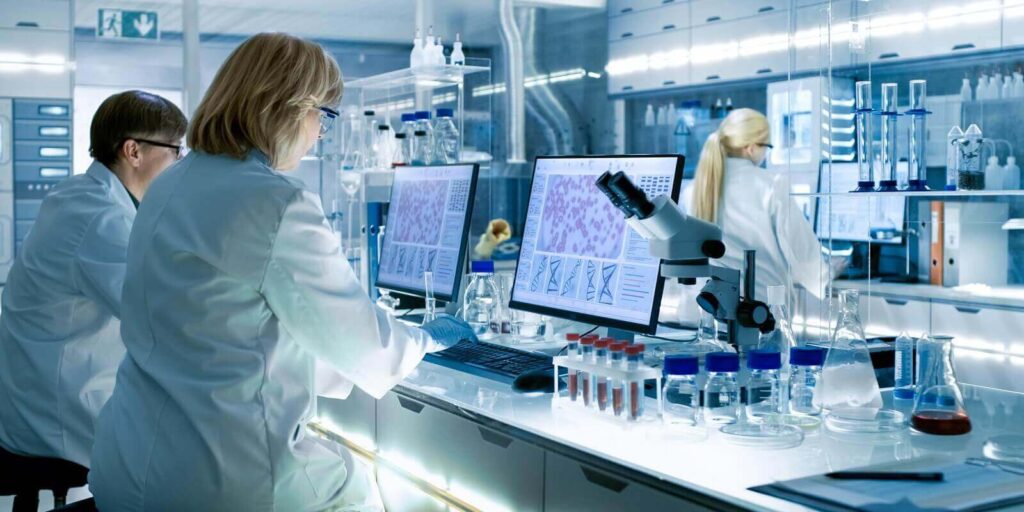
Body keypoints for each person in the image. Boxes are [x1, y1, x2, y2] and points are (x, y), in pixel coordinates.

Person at [89, 33, 475, 512]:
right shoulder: (275, 202)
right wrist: (427, 338)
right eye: (324, 118)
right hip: (219, 480)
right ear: (291, 108)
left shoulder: (169, 183)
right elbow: (369, 350)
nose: (319, 134)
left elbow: (225, 327)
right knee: (376, 493)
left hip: (128, 464)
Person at [0, 90, 187, 468]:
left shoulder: (80, 194)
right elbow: (155, 315)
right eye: (175, 151)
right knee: (187, 456)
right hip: (56, 419)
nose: (180, 164)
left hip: (31, 398)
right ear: (133, 151)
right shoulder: (100, 218)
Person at [671, 108, 834, 324]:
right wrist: (826, 274)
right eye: (767, 146)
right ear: (751, 148)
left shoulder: (693, 189)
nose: (766, 153)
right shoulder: (770, 186)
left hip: (701, 315)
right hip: (758, 316)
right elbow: (801, 249)